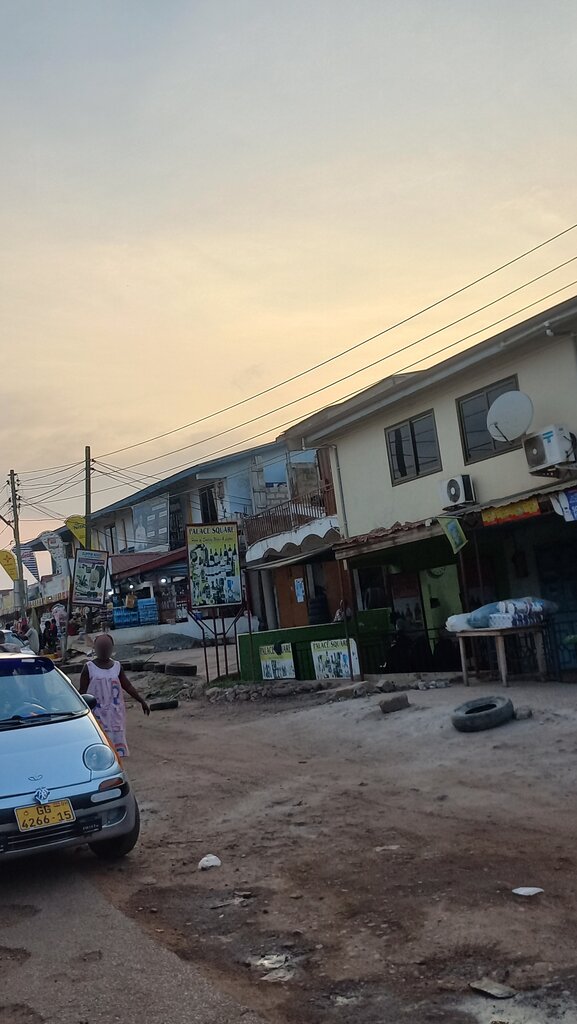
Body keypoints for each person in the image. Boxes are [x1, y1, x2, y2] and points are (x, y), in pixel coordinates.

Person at [79, 634, 150, 760]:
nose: (104, 649)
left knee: (117, 747)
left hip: (115, 714)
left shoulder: (117, 666)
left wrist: (141, 701)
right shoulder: (89, 668)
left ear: (112, 648)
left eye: (107, 646)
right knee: (101, 745)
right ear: (95, 647)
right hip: (97, 715)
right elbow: (82, 693)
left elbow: (127, 686)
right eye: (101, 646)